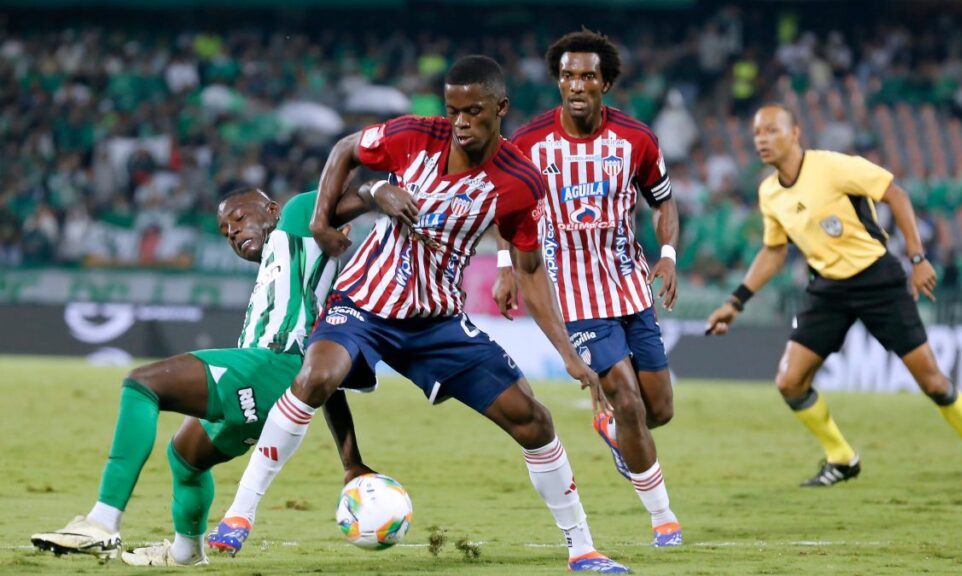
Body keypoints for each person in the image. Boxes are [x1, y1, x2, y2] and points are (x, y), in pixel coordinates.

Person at [210, 56, 631, 574]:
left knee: (533, 419)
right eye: (453, 110)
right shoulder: (412, 135)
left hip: (437, 320)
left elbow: (529, 266)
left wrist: (568, 353)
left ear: (499, 108)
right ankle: (239, 514)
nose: (460, 122)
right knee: (317, 375)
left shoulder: (521, 180)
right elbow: (346, 149)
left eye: (473, 111)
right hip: (364, 302)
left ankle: (582, 548)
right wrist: (325, 220)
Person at [30, 188, 375, 566]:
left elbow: (346, 184)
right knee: (185, 458)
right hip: (279, 391)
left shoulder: (295, 222)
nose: (231, 231)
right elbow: (322, 381)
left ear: (271, 209)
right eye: (225, 229)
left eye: (239, 218)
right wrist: (350, 461)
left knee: (142, 384)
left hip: (271, 366)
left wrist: (380, 191)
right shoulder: (279, 268)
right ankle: (185, 552)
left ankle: (101, 521)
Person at [705, 104, 962, 488]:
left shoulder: (833, 167)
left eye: (772, 130)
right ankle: (842, 458)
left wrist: (918, 257)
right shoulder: (769, 193)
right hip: (826, 289)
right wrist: (736, 301)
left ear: (795, 133)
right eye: (757, 133)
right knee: (789, 382)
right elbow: (774, 251)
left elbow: (897, 195)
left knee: (933, 381)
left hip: (877, 280)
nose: (762, 139)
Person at [492, 29, 683, 547]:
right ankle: (662, 518)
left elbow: (664, 201)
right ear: (558, 81)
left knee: (656, 409)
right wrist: (506, 264)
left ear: (606, 83)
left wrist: (666, 257)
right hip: (573, 296)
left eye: (587, 76)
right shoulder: (529, 143)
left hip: (629, 287)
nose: (576, 85)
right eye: (568, 76)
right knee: (624, 394)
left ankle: (618, 433)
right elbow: (505, 206)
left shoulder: (636, 140)